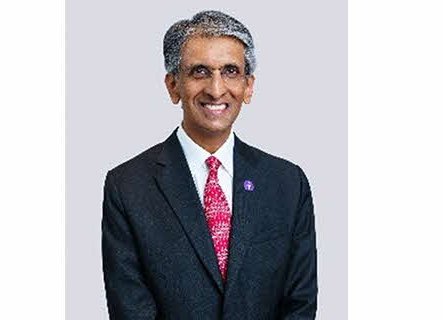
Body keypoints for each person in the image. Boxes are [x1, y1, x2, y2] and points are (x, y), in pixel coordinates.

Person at [101, 10, 317, 320]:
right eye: (200, 71)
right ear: (174, 85)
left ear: (248, 85)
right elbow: (131, 310)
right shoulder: (128, 186)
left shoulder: (288, 183)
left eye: (230, 71)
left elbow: (300, 303)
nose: (216, 89)